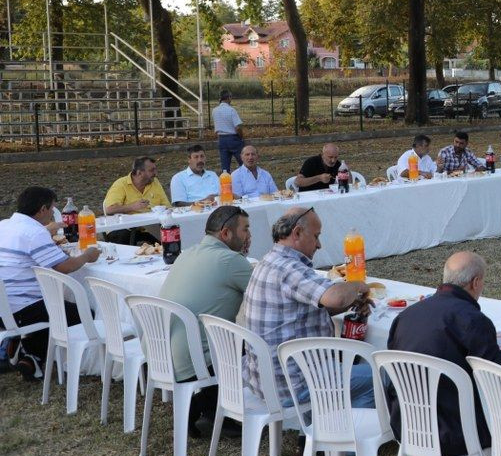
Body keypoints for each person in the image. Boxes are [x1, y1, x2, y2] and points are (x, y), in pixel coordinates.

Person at [386, 251, 501, 456]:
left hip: (408, 424)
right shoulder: (472, 319)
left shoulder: (406, 316)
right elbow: (500, 375)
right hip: (452, 432)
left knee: (460, 397)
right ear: (475, 282)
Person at [239, 207, 374, 406]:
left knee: (360, 379)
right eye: (316, 236)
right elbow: (336, 297)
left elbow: (305, 310)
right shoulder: (289, 268)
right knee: (384, 376)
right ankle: (334, 427)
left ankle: (331, 420)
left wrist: (350, 303)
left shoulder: (269, 260)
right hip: (294, 384)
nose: (319, 244)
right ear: (297, 233)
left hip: (265, 379)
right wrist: (357, 285)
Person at [158, 205, 252, 432]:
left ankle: (210, 408)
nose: (249, 236)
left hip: (160, 353)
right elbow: (267, 293)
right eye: (245, 230)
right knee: (255, 339)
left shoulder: (187, 253)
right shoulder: (230, 261)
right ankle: (215, 408)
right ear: (226, 234)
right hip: (196, 361)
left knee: (225, 335)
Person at [0, 187, 102, 380]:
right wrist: (87, 255)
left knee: (55, 307)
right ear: (43, 209)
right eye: (52, 209)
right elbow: (65, 267)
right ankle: (31, 351)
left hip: (4, 306)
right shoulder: (34, 232)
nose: (52, 216)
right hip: (21, 308)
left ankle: (29, 355)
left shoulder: (4, 225)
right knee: (84, 312)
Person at [103, 156, 171, 215]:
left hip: (153, 224)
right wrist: (132, 207)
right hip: (129, 226)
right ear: (139, 173)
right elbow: (109, 210)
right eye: (151, 170)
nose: (156, 173)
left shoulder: (154, 181)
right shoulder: (121, 184)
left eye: (155, 169)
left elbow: (167, 206)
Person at [211, 90, 245, 173]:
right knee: (244, 163)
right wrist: (241, 137)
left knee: (225, 167)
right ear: (228, 98)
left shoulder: (214, 111)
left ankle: (226, 183)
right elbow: (237, 127)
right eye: (231, 97)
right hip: (233, 139)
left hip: (221, 139)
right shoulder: (231, 110)